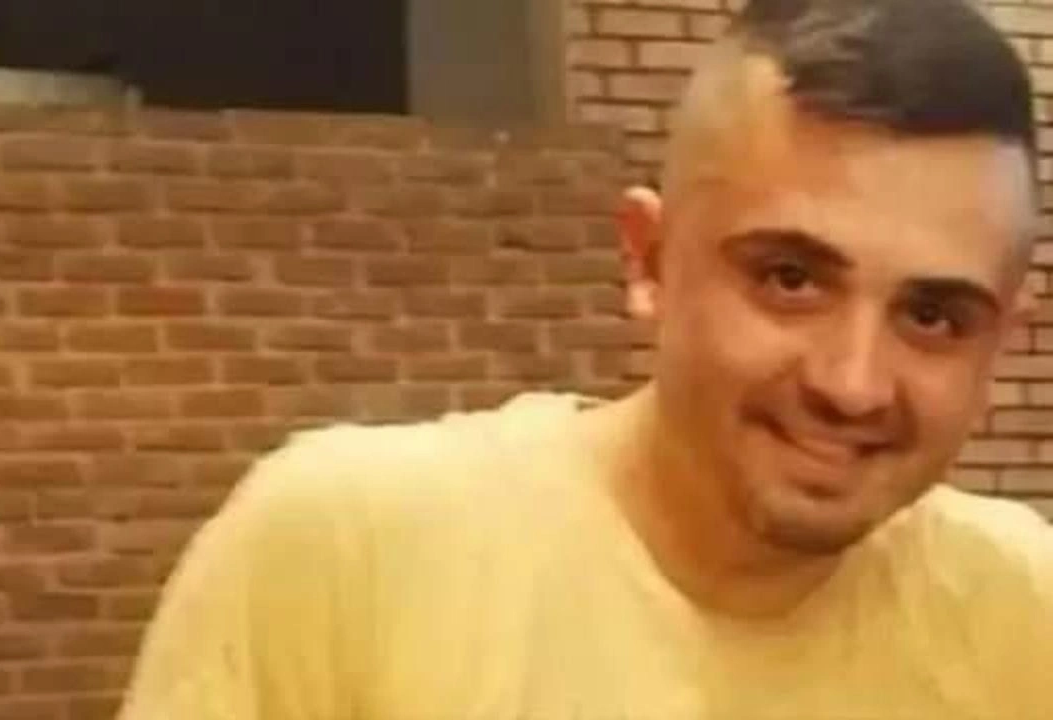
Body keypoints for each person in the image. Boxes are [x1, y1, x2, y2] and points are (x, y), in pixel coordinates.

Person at [117, 0, 1053, 717]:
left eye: (932, 315)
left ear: (1001, 340)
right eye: (789, 279)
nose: (851, 383)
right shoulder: (349, 556)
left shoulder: (1022, 615)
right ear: (648, 261)